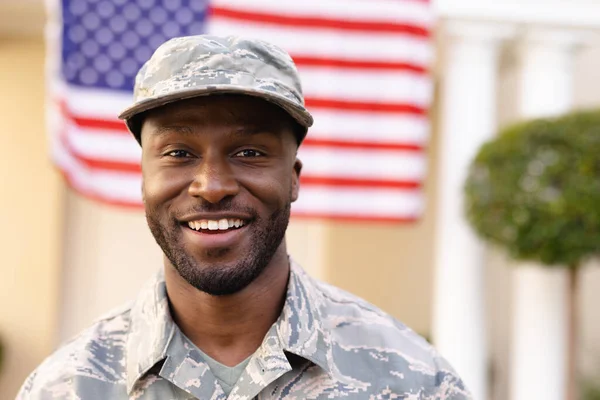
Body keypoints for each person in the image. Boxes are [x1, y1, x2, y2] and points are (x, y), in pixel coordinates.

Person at [17, 35, 471, 400]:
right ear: (144, 179)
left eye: (249, 152)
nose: (212, 186)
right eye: (178, 153)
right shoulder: (68, 386)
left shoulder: (413, 381)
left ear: (293, 178)